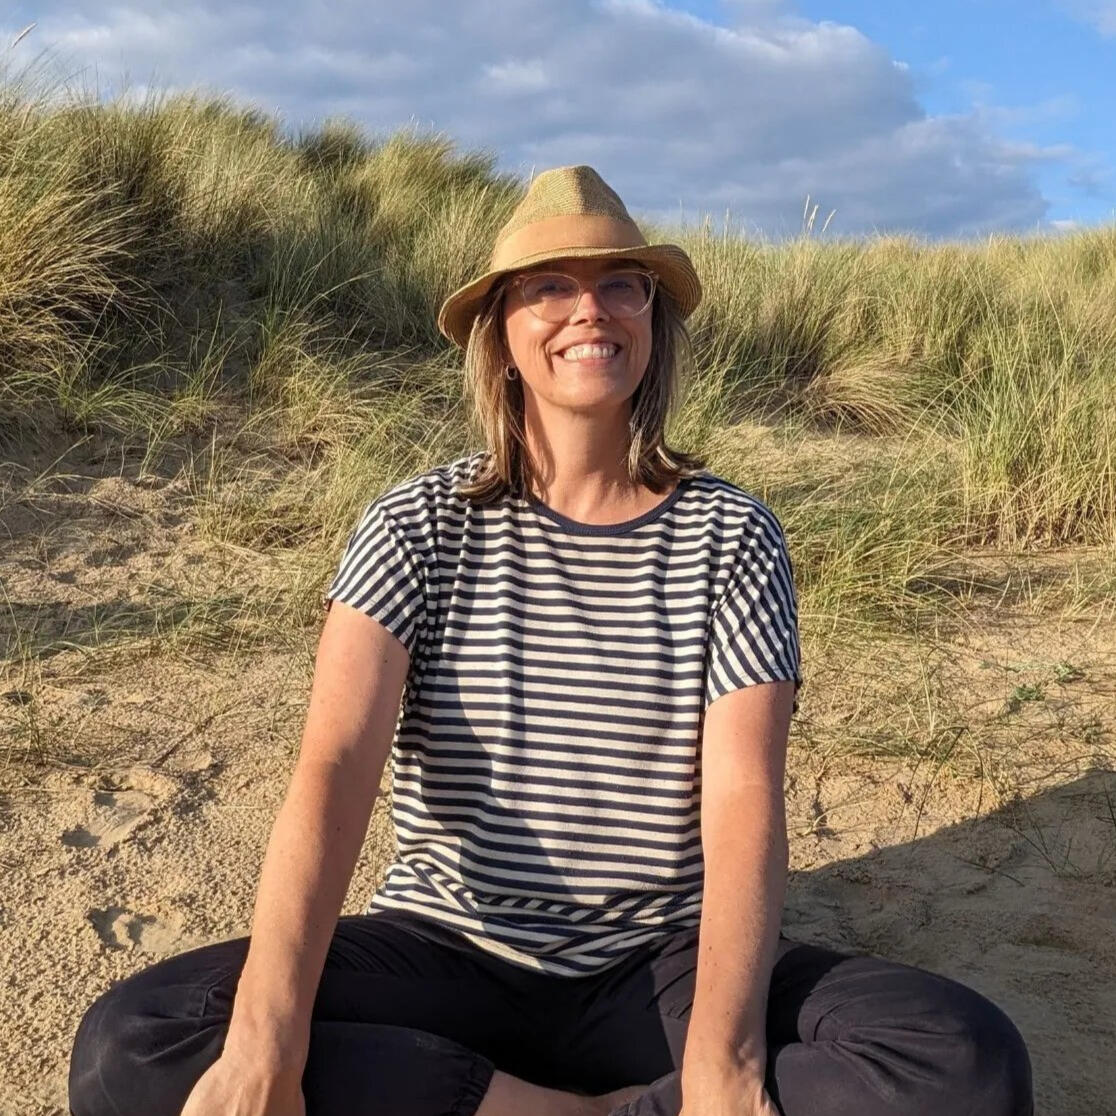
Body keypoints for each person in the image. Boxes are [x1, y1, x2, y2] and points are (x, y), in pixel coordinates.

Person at [68, 164, 1033, 1116]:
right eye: (549, 289)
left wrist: (722, 1070)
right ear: (502, 337)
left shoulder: (730, 534)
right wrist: (264, 1044)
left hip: (656, 965)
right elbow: (336, 762)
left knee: (961, 1060)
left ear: (653, 321)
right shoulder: (416, 525)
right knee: (139, 1043)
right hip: (449, 950)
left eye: (623, 285)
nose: (591, 311)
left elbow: (744, 795)